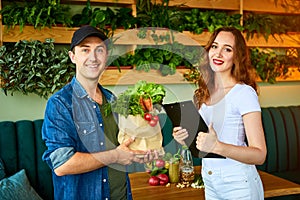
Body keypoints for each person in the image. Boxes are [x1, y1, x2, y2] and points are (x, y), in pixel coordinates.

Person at [42, 25, 154, 200]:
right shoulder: (60, 104)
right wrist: (115, 155)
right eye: (85, 50)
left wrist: (143, 150)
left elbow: (124, 147)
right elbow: (62, 164)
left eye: (99, 50)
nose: (93, 57)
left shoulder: (112, 99)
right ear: (73, 57)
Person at [173, 27, 267, 200]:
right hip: (210, 181)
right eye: (215, 46)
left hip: (239, 185)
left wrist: (218, 147)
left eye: (227, 49)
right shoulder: (203, 93)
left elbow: (260, 154)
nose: (218, 53)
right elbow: (203, 143)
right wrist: (185, 137)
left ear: (237, 56)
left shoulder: (244, 93)